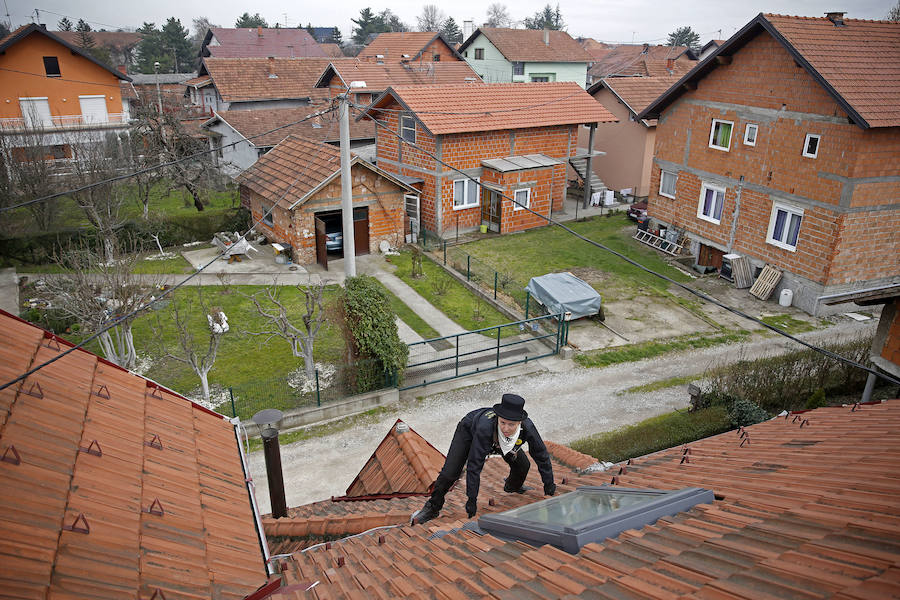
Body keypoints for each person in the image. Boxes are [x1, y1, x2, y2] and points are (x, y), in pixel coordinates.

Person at [412, 393, 556, 525]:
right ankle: (432, 507)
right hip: (469, 433)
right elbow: (474, 466)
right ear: (498, 418)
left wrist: (549, 486)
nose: (506, 428)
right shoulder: (484, 428)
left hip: (504, 443)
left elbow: (541, 456)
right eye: (503, 422)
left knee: (523, 465)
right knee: (450, 473)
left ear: (519, 423)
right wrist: (471, 500)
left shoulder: (528, 428)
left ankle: (513, 486)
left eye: (511, 425)